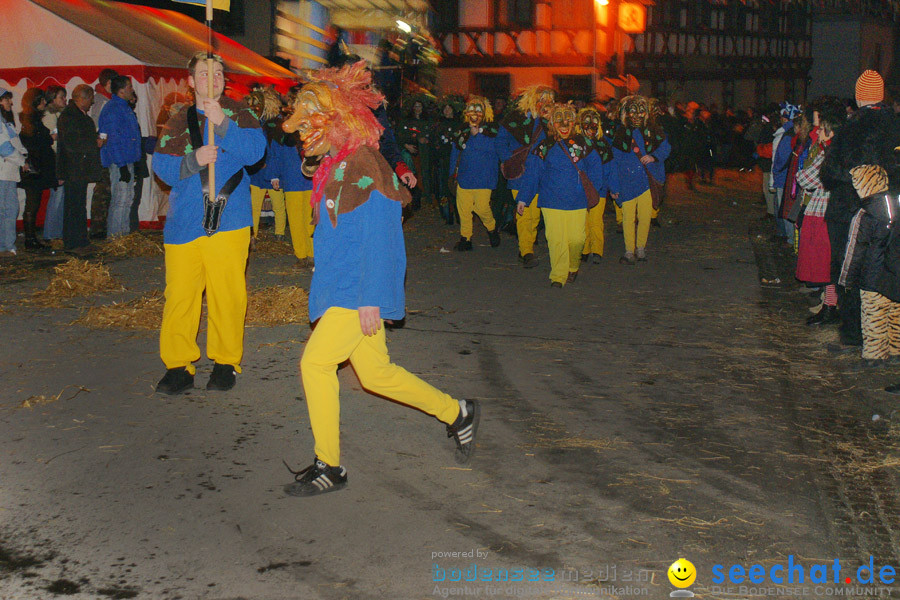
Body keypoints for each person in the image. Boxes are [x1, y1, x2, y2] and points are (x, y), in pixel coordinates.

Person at [281, 61, 479, 497]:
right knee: (376, 375)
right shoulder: (340, 162)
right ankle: (458, 412)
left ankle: (329, 465)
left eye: (310, 121)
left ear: (338, 119)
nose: (298, 131)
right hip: (342, 285)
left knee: (314, 364)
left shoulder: (365, 163)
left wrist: (372, 296)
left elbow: (384, 232)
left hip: (356, 290)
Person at [152, 53, 266, 394]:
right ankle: (178, 365)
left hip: (229, 220)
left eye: (217, 73)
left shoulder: (240, 113)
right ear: (191, 81)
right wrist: (193, 160)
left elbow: (255, 153)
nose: (211, 79)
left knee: (227, 295)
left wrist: (224, 124)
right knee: (180, 297)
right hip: (185, 222)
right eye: (203, 74)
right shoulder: (176, 120)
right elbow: (162, 168)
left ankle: (225, 361)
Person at [821, 70, 900, 354]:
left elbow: (829, 174)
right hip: (895, 212)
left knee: (851, 275)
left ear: (859, 97)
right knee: (888, 275)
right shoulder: (895, 124)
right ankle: (889, 341)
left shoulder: (852, 128)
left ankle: (856, 335)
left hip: (855, 212)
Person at [516, 103, 617, 287]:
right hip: (551, 201)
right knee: (556, 239)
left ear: (574, 123)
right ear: (552, 123)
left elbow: (596, 166)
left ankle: (573, 266)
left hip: (577, 201)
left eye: (568, 120)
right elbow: (533, 173)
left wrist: (592, 188)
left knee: (577, 239)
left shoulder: (583, 144)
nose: (563, 124)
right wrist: (524, 197)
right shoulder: (544, 146)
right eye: (559, 120)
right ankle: (558, 275)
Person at [795, 97, 845, 326]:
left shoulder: (829, 152)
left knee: (827, 264)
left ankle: (830, 307)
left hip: (825, 210)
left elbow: (805, 177)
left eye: (822, 127)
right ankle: (829, 305)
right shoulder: (831, 148)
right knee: (828, 264)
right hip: (827, 208)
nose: (819, 130)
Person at [608, 95, 670, 264]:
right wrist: (614, 186)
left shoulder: (654, 130)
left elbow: (666, 147)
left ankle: (640, 248)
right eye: (632, 111)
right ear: (626, 113)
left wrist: (653, 157)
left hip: (646, 181)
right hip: (626, 182)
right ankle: (629, 250)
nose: (636, 115)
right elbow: (614, 161)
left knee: (644, 216)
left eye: (640, 111)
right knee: (628, 218)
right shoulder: (621, 133)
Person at [497, 85, 555, 267]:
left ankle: (528, 243)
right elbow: (500, 140)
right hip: (520, 172)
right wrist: (508, 159)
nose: (545, 103)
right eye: (542, 98)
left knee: (535, 214)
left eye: (548, 99)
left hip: (540, 173)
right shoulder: (515, 117)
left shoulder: (551, 121)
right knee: (524, 213)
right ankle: (526, 251)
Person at [449, 95, 502, 251]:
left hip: (484, 178)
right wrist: (452, 173)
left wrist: (477, 135)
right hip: (465, 177)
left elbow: (493, 149)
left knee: (481, 207)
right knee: (463, 210)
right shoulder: (461, 131)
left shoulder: (492, 130)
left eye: (478, 110)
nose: (474, 113)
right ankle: (466, 238)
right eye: (471, 109)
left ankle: (492, 228)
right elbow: (455, 151)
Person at [57, 84, 103, 254]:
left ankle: (81, 241)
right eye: (90, 98)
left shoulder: (77, 115)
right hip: (73, 168)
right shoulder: (69, 116)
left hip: (79, 168)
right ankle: (73, 243)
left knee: (78, 205)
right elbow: (72, 144)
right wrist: (94, 143)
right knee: (74, 206)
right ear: (82, 98)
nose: (92, 103)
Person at [98, 75, 141, 238]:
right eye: (129, 87)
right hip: (119, 161)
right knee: (120, 199)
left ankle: (123, 235)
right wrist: (121, 164)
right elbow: (113, 139)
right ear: (122, 91)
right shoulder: (113, 109)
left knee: (127, 198)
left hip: (127, 159)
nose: (132, 90)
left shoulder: (123, 107)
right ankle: (116, 236)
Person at [17, 88, 56, 251]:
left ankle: (31, 238)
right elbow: (33, 143)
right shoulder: (30, 121)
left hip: (36, 168)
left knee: (33, 204)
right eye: (41, 100)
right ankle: (30, 239)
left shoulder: (32, 120)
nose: (44, 103)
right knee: (32, 204)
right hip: (34, 170)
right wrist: (49, 138)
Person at [88, 68, 118, 240]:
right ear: (108, 84)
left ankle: (100, 226)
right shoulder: (101, 101)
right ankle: (98, 228)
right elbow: (98, 126)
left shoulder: (104, 100)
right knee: (103, 190)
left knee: (105, 189)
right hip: (103, 151)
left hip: (106, 150)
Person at [0, 88, 27, 258]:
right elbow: (5, 148)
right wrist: (22, 161)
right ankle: (5, 245)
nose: (11, 102)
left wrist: (23, 154)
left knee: (9, 208)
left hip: (8, 172)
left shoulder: (5, 122)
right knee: (6, 209)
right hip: (3, 172)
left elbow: (13, 144)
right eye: (7, 99)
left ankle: (6, 245)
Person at [41, 86, 67, 241]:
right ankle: (51, 234)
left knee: (60, 197)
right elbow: (52, 142)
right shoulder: (50, 116)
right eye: (61, 97)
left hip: (59, 159)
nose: (64, 100)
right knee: (57, 197)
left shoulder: (59, 114)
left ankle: (56, 232)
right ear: (52, 99)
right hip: (55, 160)